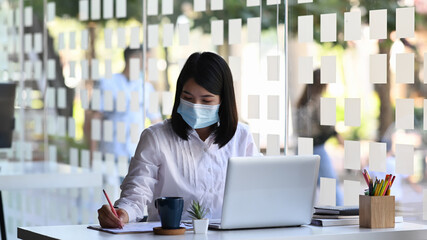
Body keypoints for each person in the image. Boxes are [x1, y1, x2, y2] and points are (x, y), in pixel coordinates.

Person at [97, 52, 259, 228]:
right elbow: (136, 193)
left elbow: (259, 189)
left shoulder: (241, 136)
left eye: (206, 100)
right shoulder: (156, 137)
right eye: (188, 98)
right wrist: (123, 213)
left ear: (223, 101)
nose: (196, 107)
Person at [97, 46, 162, 159]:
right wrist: (93, 155)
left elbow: (156, 122)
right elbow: (95, 118)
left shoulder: (146, 88)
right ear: (133, 59)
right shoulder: (107, 83)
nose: (147, 65)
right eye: (146, 60)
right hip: (111, 155)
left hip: (136, 155)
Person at [296, 69, 344, 206]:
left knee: (305, 189)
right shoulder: (319, 102)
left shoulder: (302, 102)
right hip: (316, 148)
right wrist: (337, 135)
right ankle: (339, 220)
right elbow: (326, 126)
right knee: (332, 187)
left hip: (302, 149)